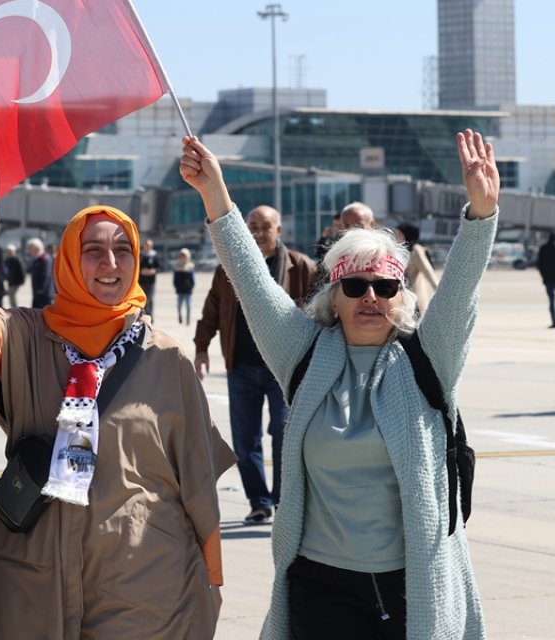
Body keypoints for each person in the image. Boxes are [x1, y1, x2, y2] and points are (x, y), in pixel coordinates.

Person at [181, 130, 490, 638]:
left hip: (410, 585)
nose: (371, 296)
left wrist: (479, 215)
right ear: (334, 298)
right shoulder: (304, 354)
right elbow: (252, 282)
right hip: (320, 588)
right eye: (355, 285)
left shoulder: (429, 358)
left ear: (401, 296)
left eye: (386, 286)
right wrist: (217, 196)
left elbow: (460, 288)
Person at [0, 163, 235, 639]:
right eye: (94, 251)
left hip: (143, 578)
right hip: (39, 568)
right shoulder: (29, 336)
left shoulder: (165, 355)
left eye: (123, 250)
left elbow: (199, 480)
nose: (111, 263)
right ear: (67, 260)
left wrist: (212, 579)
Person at [194, 204, 316, 526]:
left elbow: (322, 313)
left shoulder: (301, 267)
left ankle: (281, 501)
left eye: (265, 227)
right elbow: (212, 309)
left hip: (283, 368)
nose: (259, 233)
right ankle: (259, 502)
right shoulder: (229, 267)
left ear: (279, 231)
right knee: (244, 441)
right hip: (241, 368)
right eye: (253, 227)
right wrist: (201, 348)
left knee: (283, 434)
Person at [396, 221, 440, 316]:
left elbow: (429, 273)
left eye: (399, 234)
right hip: (402, 302)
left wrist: (442, 294)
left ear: (407, 235)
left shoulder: (416, 250)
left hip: (415, 303)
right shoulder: (401, 250)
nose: (397, 237)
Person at [26, 237, 54, 308]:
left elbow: (45, 275)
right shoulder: (38, 259)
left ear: (37, 248)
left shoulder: (45, 259)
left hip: (43, 294)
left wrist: (40, 289)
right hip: (38, 293)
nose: (30, 251)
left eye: (31, 248)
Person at [173, 247, 196, 324]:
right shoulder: (177, 266)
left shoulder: (190, 266)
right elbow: (175, 279)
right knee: (179, 306)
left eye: (184, 256)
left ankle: (188, 320)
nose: (183, 258)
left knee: (188, 306)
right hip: (180, 289)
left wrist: (192, 286)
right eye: (182, 256)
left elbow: (192, 279)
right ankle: (180, 316)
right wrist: (176, 286)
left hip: (188, 289)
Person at [138, 238, 160, 318]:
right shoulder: (141, 255)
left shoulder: (154, 255)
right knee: (142, 298)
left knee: (150, 298)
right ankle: (142, 315)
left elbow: (158, 268)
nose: (147, 247)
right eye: (146, 245)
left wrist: (152, 271)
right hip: (142, 280)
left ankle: (150, 315)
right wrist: (141, 271)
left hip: (151, 281)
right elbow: (137, 266)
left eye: (149, 245)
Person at [2, 243, 25, 307]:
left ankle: (15, 308)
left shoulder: (17, 260)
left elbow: (22, 271)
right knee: (10, 295)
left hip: (16, 281)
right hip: (10, 281)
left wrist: (22, 281)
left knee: (11, 295)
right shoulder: (7, 260)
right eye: (8, 251)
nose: (9, 253)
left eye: (10, 251)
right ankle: (13, 307)